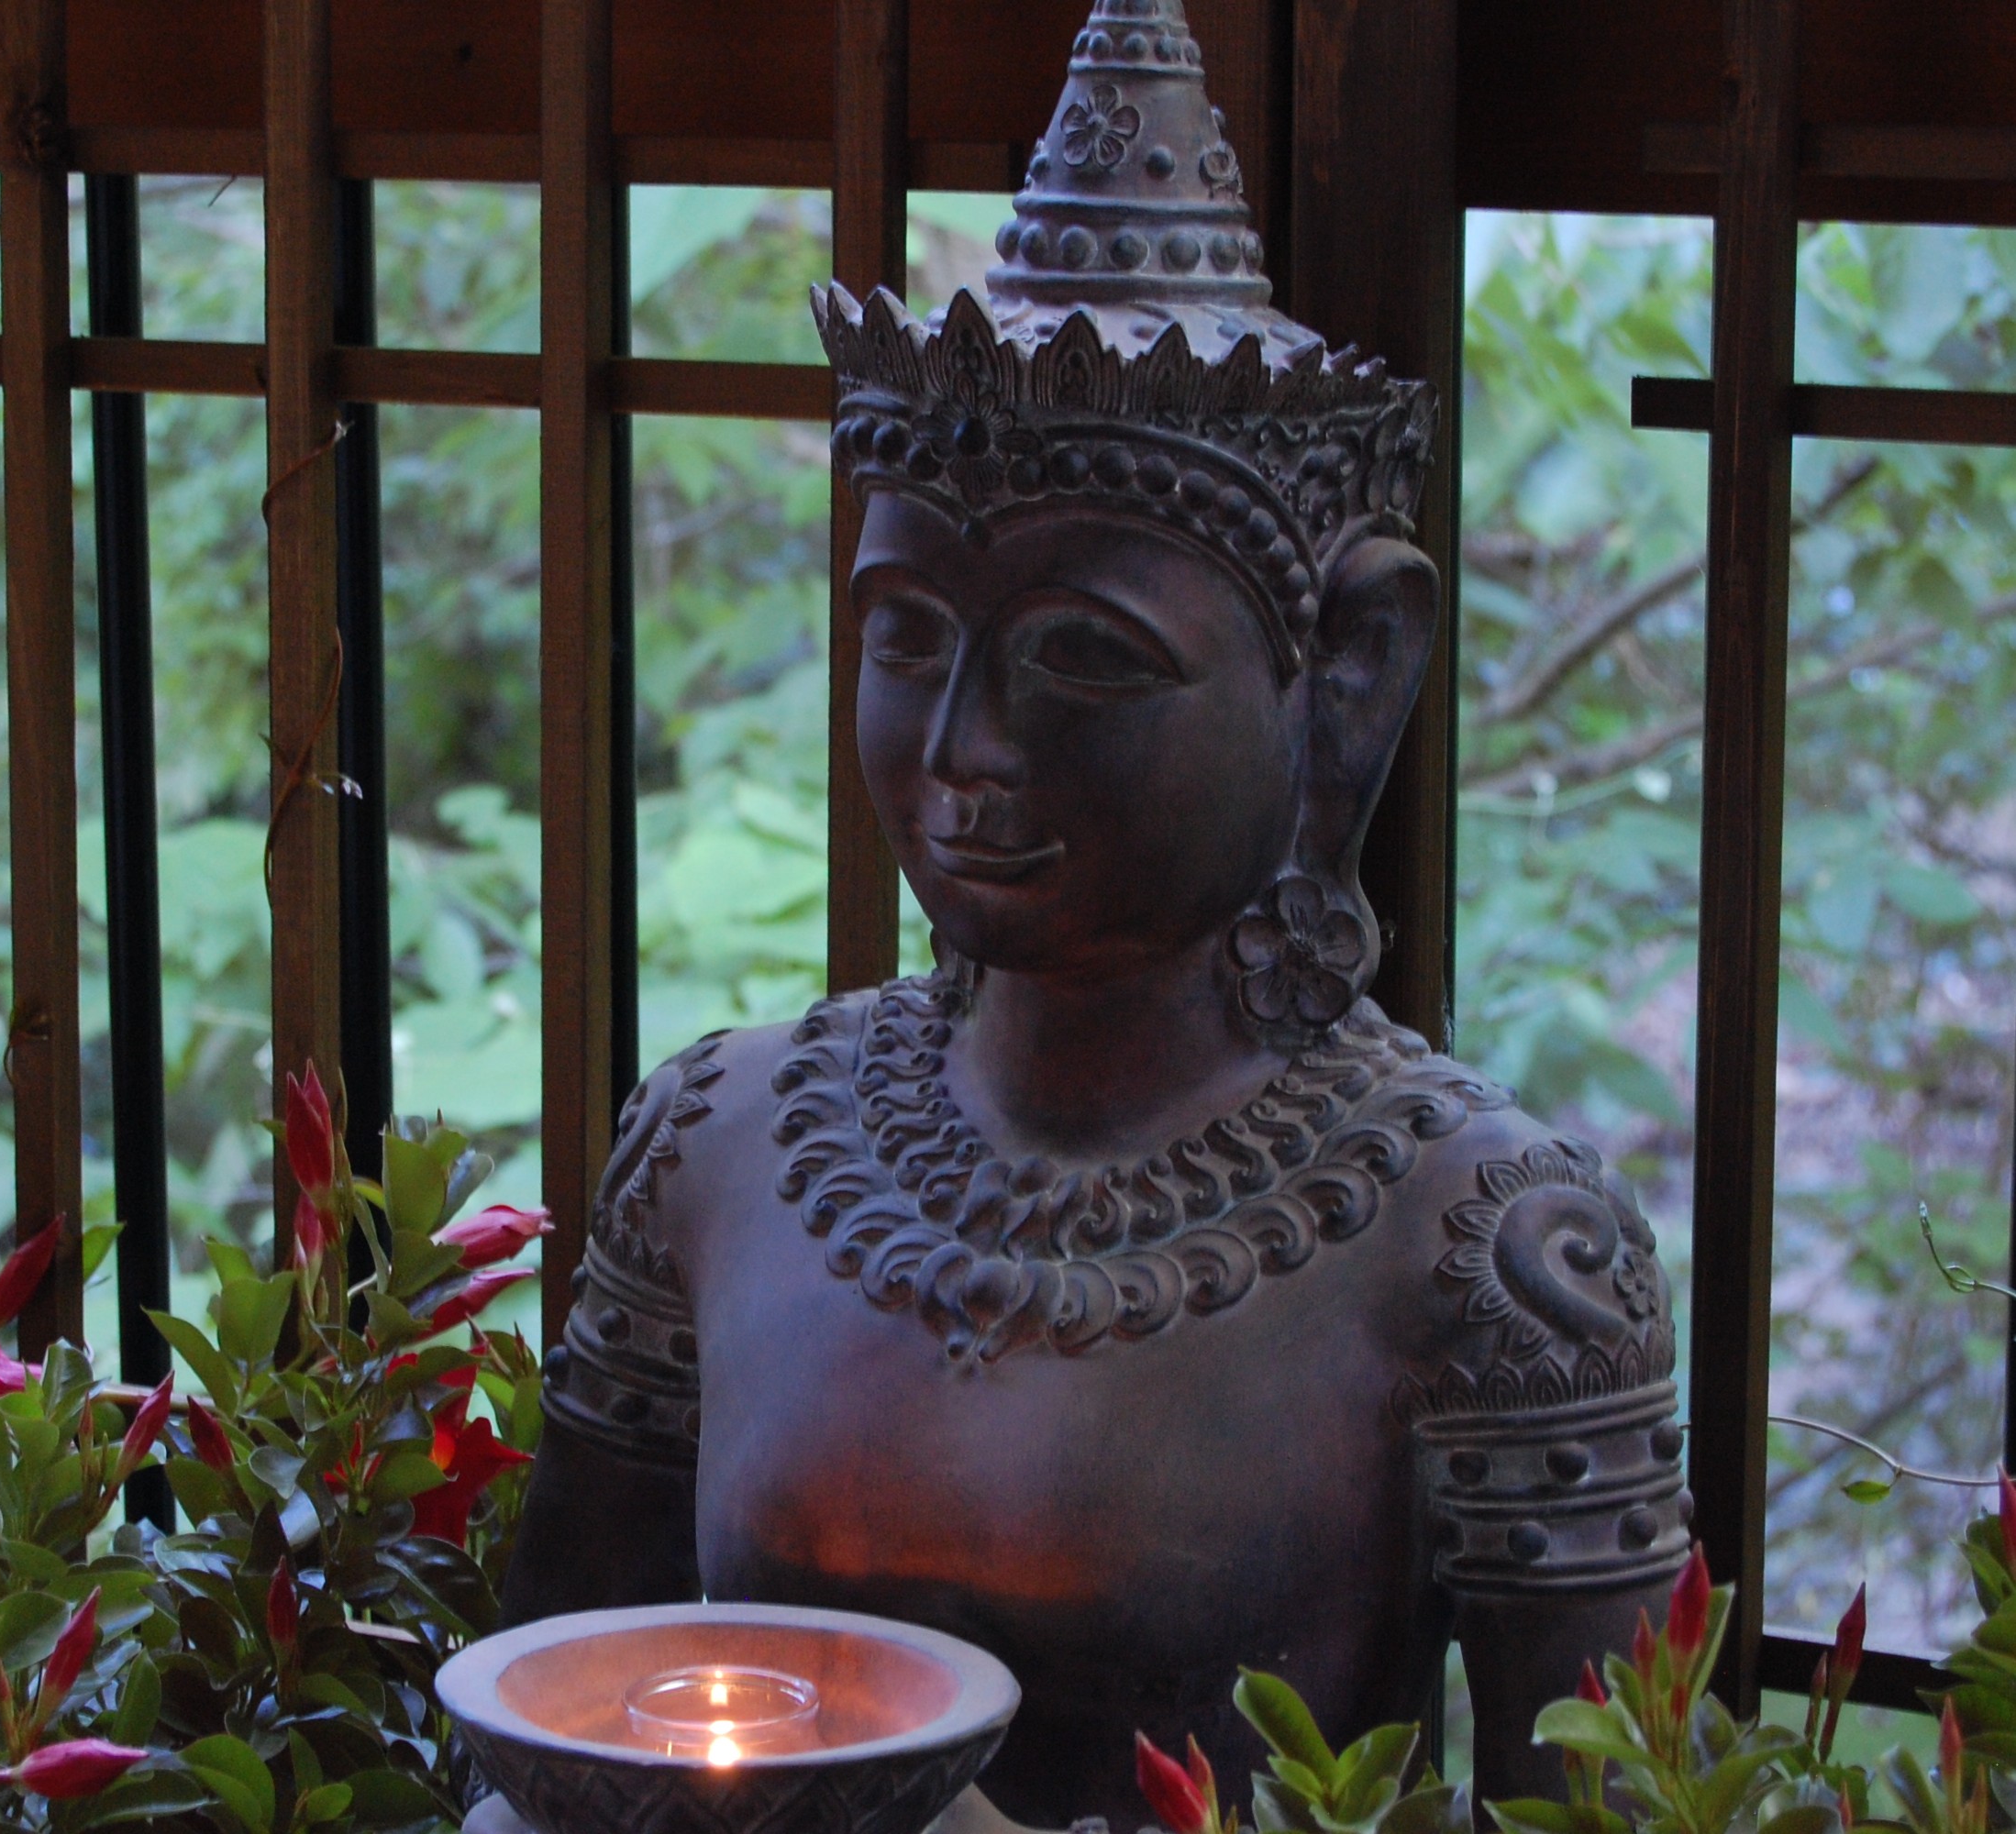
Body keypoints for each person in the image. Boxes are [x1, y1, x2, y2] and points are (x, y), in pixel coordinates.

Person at [504, 4, 1686, 1824]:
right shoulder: (722, 1140)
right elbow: (554, 1706)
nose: (965, 747)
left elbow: (1613, 1802)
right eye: (906, 638)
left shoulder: (1484, 1242)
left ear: (1347, 676)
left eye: (1083, 656)